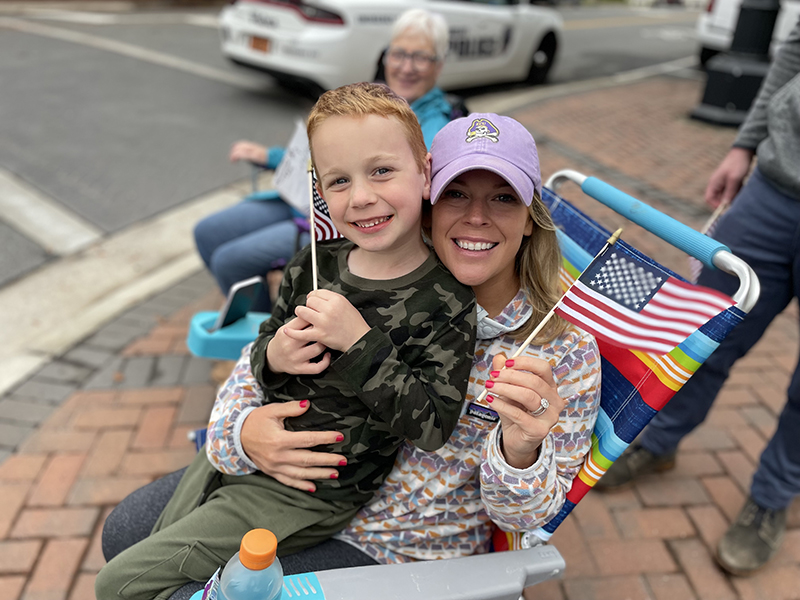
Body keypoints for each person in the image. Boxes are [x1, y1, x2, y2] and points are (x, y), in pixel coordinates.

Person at [100, 113, 602, 599]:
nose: (476, 216)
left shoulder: (562, 350)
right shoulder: (381, 264)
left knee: (171, 588)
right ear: (428, 197)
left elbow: (523, 520)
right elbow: (262, 356)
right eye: (455, 194)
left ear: (532, 217)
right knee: (125, 529)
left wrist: (522, 451)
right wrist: (241, 433)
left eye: (502, 198)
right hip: (289, 480)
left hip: (391, 547)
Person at [596, 18, 800, 576]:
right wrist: (745, 143)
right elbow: (793, 52)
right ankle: (659, 442)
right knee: (705, 331)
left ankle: (774, 494)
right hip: (777, 186)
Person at [194, 8, 453, 312]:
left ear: (439, 65)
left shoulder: (435, 126)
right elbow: (319, 155)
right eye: (398, 54)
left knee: (230, 261)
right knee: (208, 232)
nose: (407, 66)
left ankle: (264, 324)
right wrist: (271, 156)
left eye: (421, 57)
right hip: (304, 192)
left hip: (330, 220)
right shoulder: (371, 98)